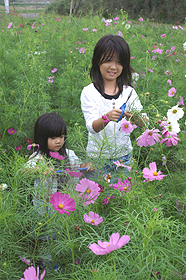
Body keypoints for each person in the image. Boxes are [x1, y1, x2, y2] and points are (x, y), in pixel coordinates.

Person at [80, 34, 147, 181]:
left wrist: (133, 117)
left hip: (123, 158)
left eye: (119, 62)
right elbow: (92, 126)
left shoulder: (129, 92)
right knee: (95, 199)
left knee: (120, 199)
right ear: (98, 60)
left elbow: (145, 122)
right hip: (97, 158)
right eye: (108, 60)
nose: (113, 67)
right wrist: (107, 117)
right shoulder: (89, 92)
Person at [26, 112, 90, 215]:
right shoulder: (38, 158)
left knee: (64, 228)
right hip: (44, 209)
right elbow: (25, 171)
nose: (58, 141)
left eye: (61, 137)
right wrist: (40, 170)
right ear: (41, 138)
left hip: (66, 204)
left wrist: (85, 166)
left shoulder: (69, 154)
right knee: (45, 230)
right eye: (53, 138)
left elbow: (78, 165)